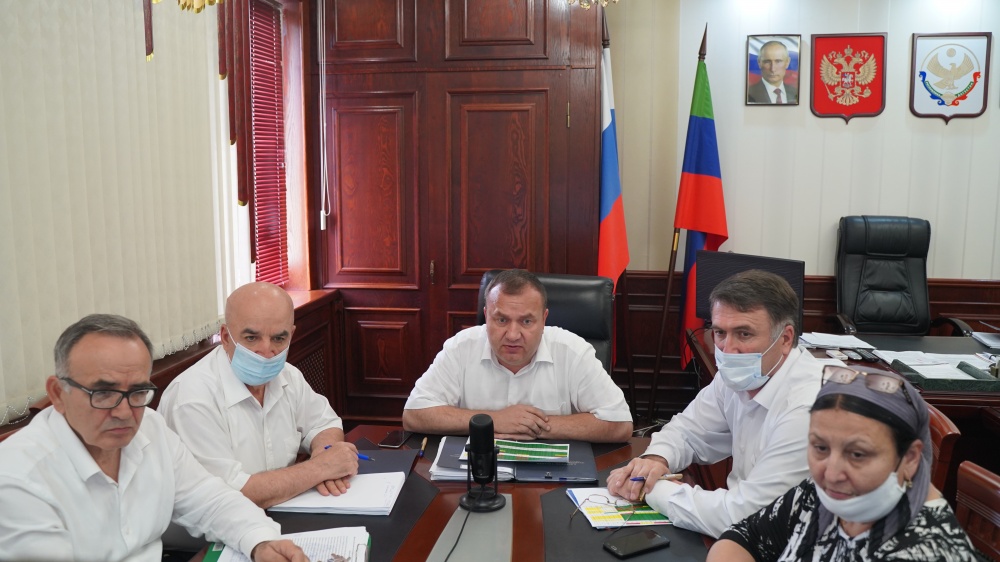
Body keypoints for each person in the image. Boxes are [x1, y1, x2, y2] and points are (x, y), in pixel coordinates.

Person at [0, 314, 307, 562]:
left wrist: (261, 541)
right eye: (103, 393)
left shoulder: (150, 428)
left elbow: (210, 500)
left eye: (137, 392)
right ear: (58, 394)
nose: (124, 412)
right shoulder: (17, 480)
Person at [607, 270, 822, 537]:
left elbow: (748, 516)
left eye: (744, 334)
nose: (728, 350)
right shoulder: (740, 376)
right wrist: (655, 460)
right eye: (720, 332)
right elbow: (687, 431)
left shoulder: (809, 408)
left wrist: (652, 489)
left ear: (786, 339)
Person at [707, 365, 977, 560]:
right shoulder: (818, 494)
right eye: (820, 448)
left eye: (857, 454)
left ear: (909, 458)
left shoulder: (926, 551)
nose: (831, 473)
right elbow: (745, 537)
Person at [158, 282, 358, 510]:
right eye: (252, 338)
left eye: (278, 339)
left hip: (278, 513)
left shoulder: (287, 376)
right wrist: (321, 468)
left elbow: (324, 424)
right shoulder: (191, 398)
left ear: (291, 335)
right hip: (216, 528)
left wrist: (326, 452)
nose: (266, 352)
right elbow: (229, 496)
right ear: (225, 337)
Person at [401, 269, 633, 442]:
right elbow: (414, 414)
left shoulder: (572, 350)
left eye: (526, 321)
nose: (513, 335)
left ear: (544, 319)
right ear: (486, 316)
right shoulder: (461, 347)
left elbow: (620, 424)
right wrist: (492, 420)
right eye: (501, 320)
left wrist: (534, 426)